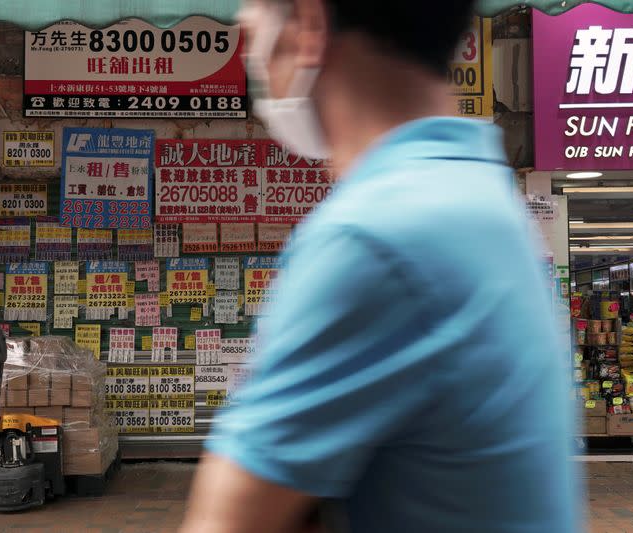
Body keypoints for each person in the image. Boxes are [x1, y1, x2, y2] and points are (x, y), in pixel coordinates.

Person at [180, 1, 577, 532]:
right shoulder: (477, 194)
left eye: (253, 27)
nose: (249, 49)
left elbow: (226, 522)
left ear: (311, 25)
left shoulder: (373, 239)